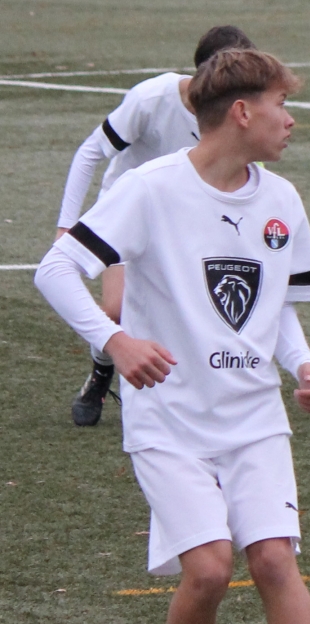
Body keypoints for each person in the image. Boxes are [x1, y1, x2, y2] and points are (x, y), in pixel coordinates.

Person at [34, 46, 310, 624]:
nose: (290, 118)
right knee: (206, 570)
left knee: (273, 560)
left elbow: (280, 310)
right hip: (168, 422)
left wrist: (302, 366)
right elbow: (53, 271)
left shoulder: (284, 200)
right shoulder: (149, 190)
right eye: (279, 103)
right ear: (242, 112)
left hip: (254, 420)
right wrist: (115, 342)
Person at [57, 25, 254, 427]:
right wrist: (66, 224)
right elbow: (89, 153)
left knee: (197, 310)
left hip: (184, 221)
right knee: (114, 311)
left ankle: (194, 391)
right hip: (125, 214)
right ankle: (101, 370)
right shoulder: (152, 97)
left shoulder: (237, 114)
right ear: (206, 76)